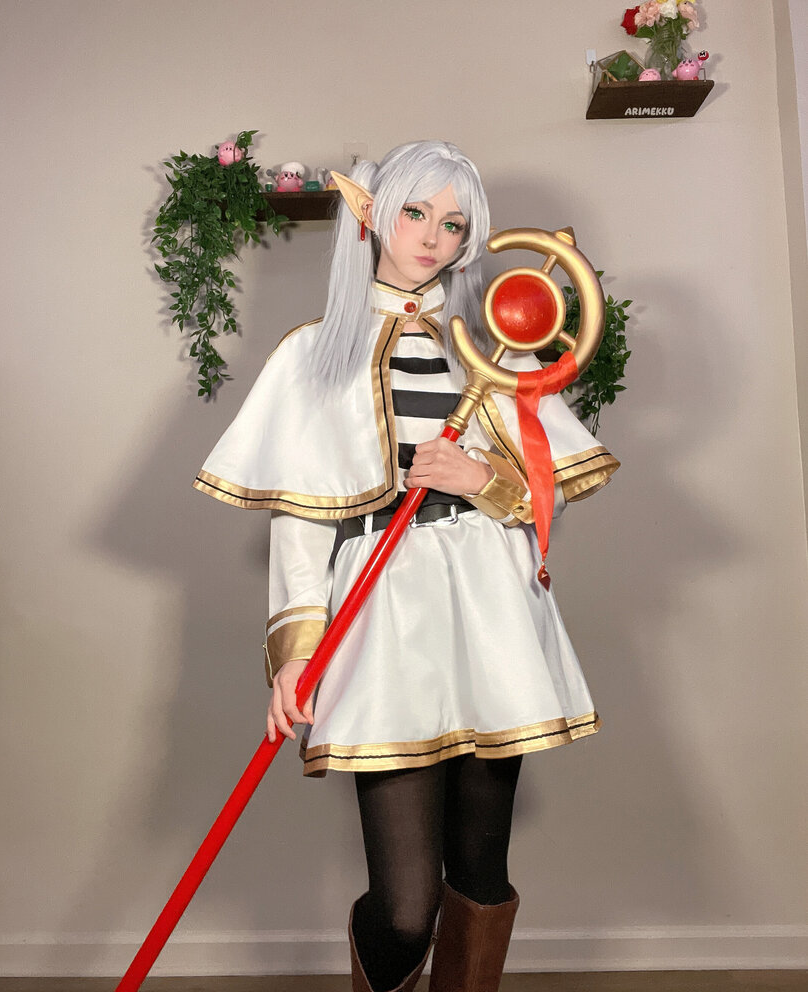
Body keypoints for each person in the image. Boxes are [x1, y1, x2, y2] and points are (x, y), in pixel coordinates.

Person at [194, 140, 619, 992]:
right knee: (404, 906)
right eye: (416, 213)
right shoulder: (315, 355)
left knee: (481, 875)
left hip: (491, 604)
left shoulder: (496, 347)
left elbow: (544, 495)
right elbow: (300, 521)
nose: (431, 238)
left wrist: (481, 478)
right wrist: (296, 653)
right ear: (374, 215)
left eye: (453, 223)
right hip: (380, 610)